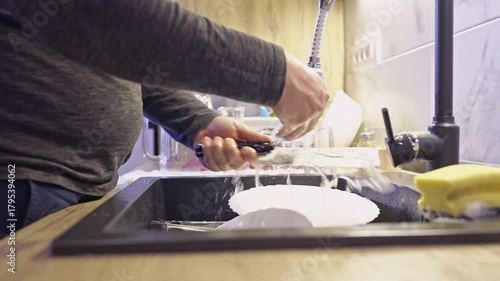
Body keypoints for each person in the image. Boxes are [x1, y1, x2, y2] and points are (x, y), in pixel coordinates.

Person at [0, 1, 329, 237]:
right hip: (20, 182)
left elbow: (125, 60)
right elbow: (105, 15)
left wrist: (197, 120)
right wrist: (273, 73)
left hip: (63, 183)